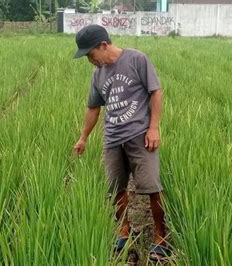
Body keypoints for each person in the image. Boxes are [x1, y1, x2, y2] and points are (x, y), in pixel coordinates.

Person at [72, 24, 171, 263]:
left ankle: (160, 235)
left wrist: (154, 127)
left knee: (151, 187)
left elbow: (156, 92)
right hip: (112, 139)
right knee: (116, 189)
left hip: (140, 136)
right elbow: (93, 108)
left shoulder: (136, 59)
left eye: (90, 54)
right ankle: (124, 231)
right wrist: (83, 137)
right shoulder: (98, 75)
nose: (90, 60)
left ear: (103, 45)